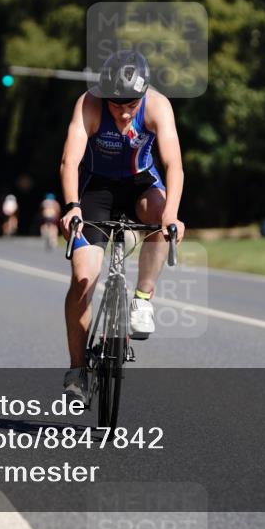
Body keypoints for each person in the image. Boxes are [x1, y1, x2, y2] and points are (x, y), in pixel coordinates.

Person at [58, 50, 185, 403]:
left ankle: (143, 299)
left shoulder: (158, 106)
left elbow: (173, 164)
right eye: (116, 105)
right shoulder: (89, 103)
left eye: (131, 103)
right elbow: (70, 160)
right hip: (95, 188)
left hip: (140, 184)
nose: (124, 111)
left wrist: (172, 214)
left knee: (161, 222)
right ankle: (77, 369)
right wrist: (72, 208)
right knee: (83, 279)